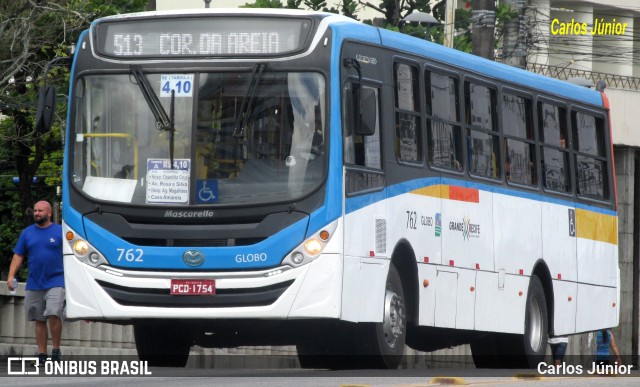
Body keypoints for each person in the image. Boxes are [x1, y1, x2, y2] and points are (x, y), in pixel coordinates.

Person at [7, 201, 64, 363]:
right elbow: (18, 255)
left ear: (49, 213)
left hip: (56, 280)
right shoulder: (27, 233)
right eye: (35, 210)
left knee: (53, 312)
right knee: (39, 319)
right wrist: (11, 276)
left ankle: (56, 351)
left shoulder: (60, 232)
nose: (37, 213)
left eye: (40, 211)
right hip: (34, 283)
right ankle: (42, 355)